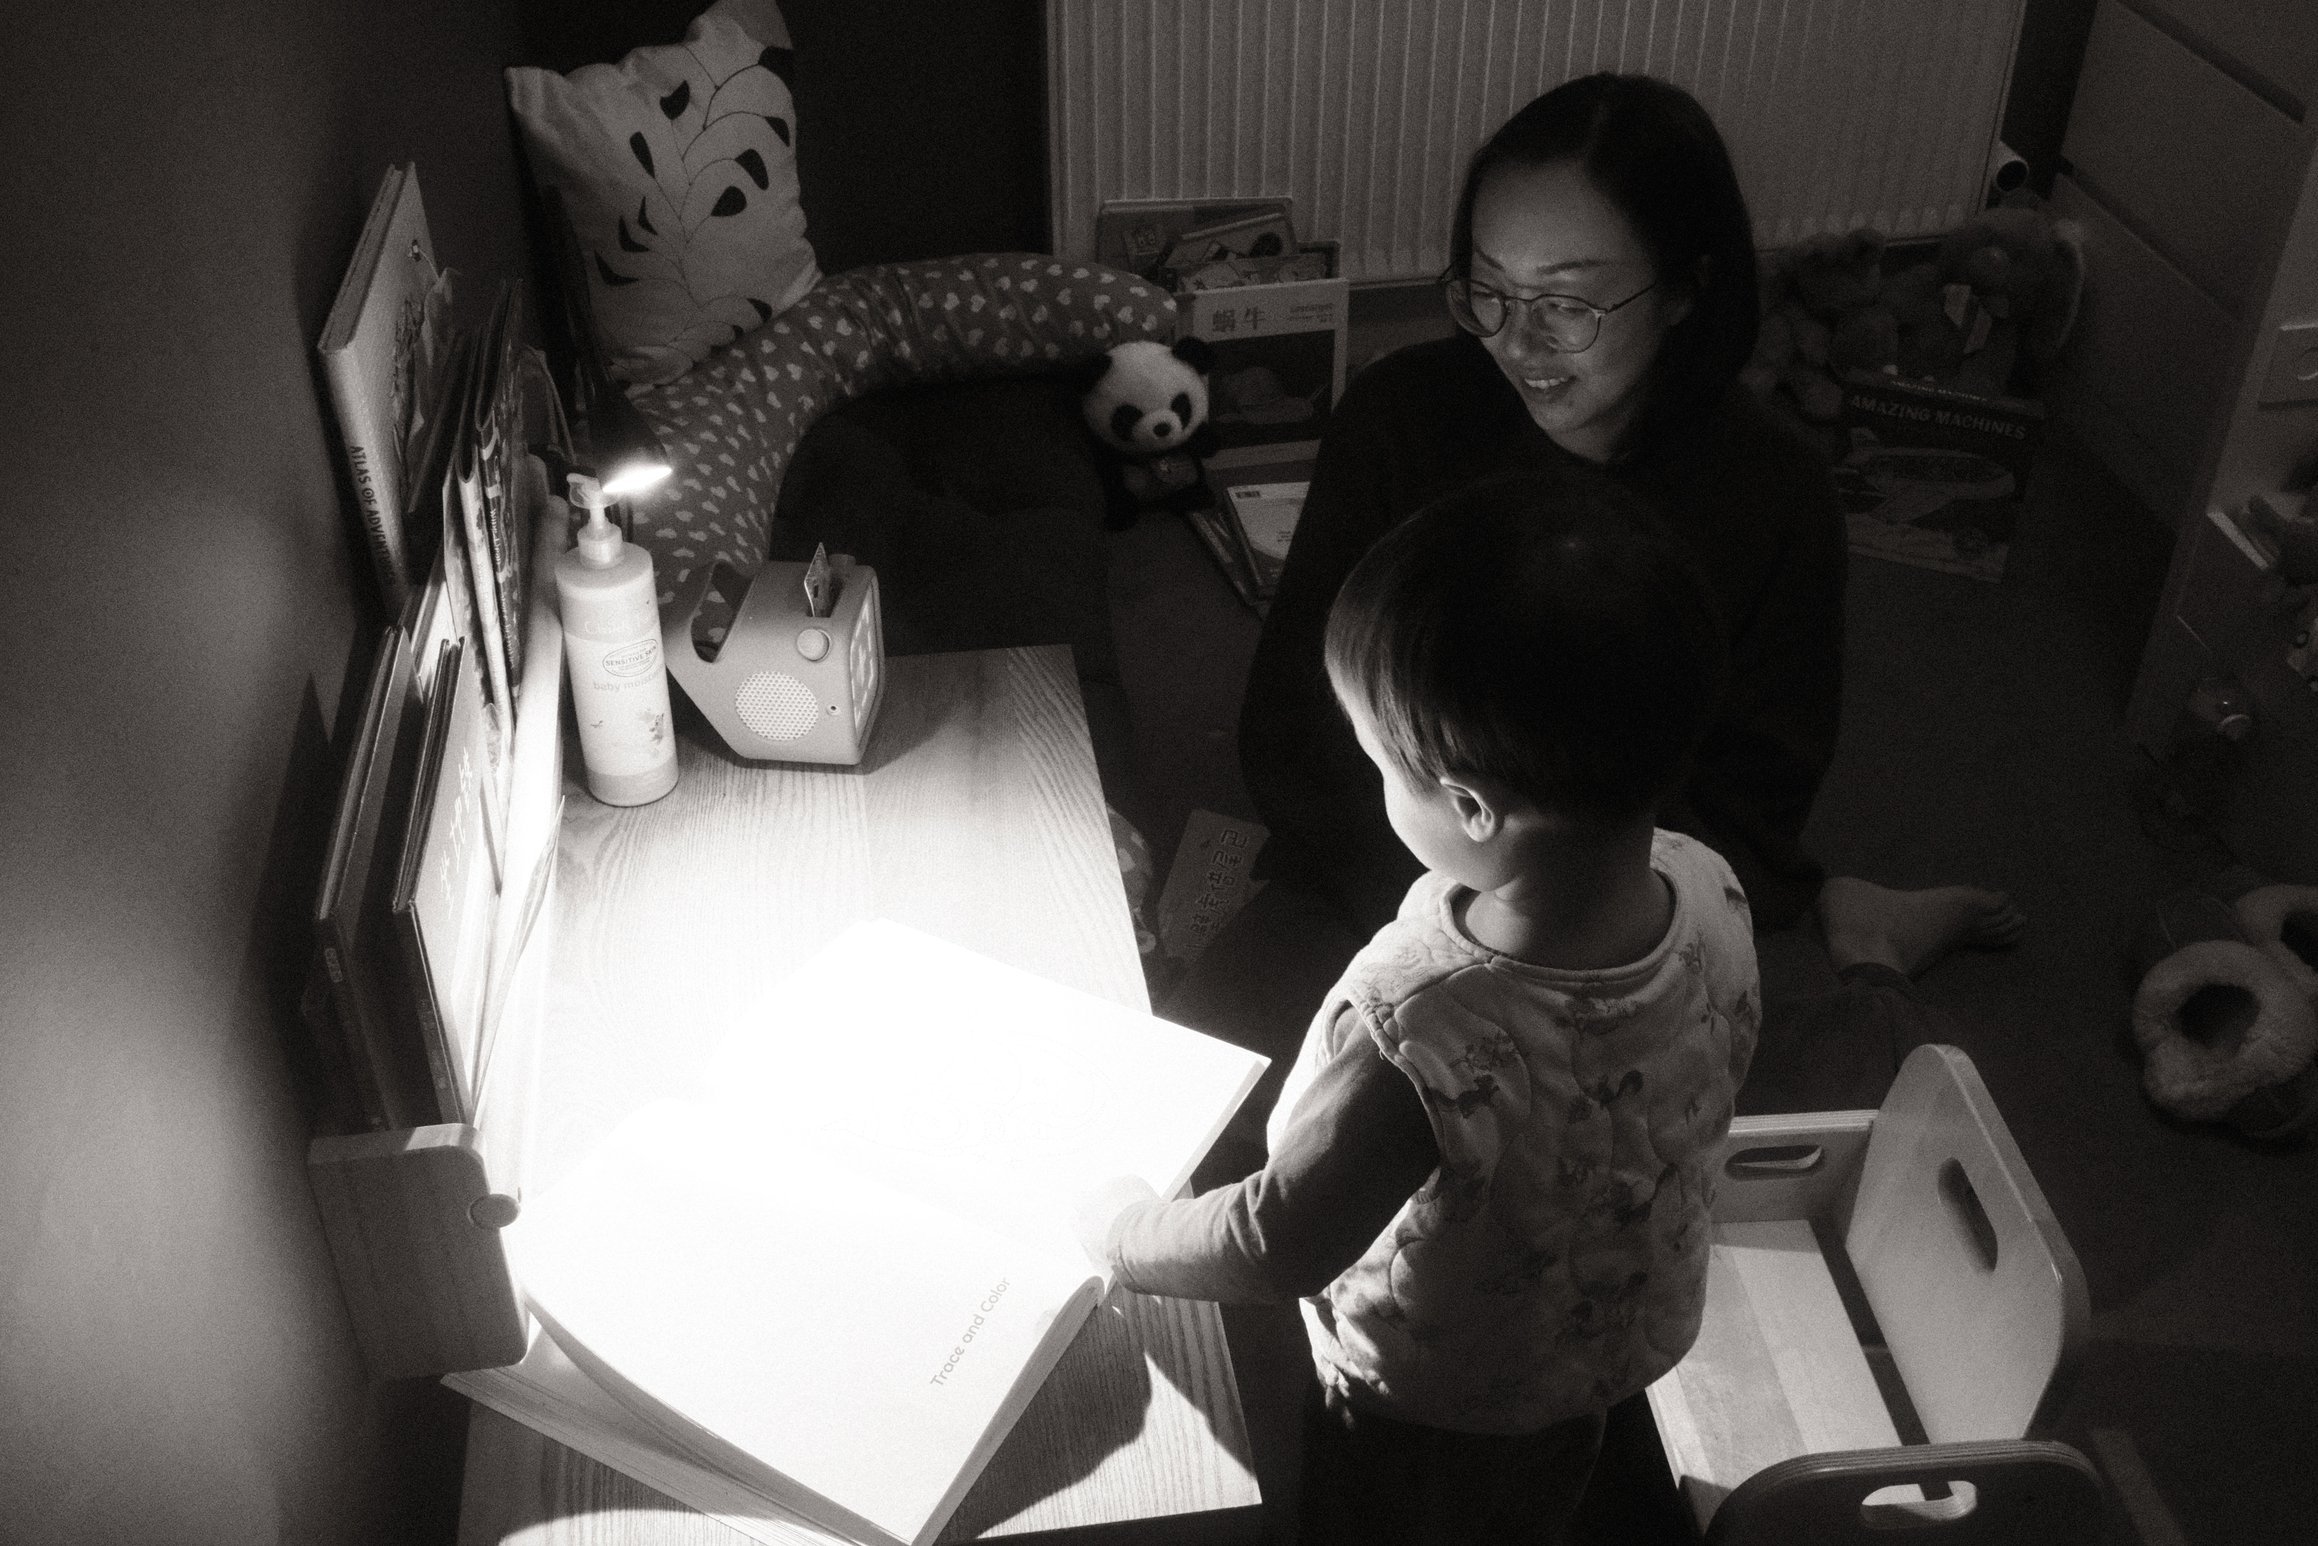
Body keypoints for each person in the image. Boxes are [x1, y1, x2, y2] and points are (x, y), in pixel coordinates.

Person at [1180, 71, 2019, 1120]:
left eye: (1567, 303)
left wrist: (1552, 951)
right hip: (1392, 886)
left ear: (1682, 291)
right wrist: (1436, 939)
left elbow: (1752, 804)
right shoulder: (1399, 418)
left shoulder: (1771, 492)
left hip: (1625, 928)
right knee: (1219, 1095)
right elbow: (1295, 731)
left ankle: (1867, 950)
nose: (1515, 339)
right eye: (1485, 287)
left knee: (1712, 1164)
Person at [1078, 472, 1757, 1545]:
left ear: (1473, 808)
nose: (1371, 786)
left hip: (1433, 1402)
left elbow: (1274, 1237)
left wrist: (1125, 1231)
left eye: (1381, 765)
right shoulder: (1708, 889)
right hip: (1604, 1334)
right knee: (1535, 1495)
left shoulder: (1424, 1032)